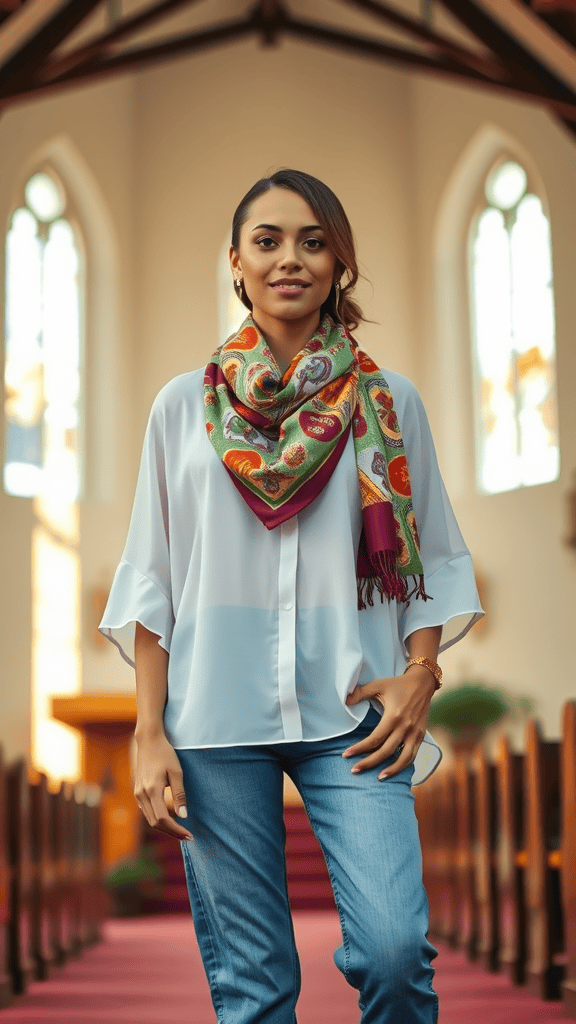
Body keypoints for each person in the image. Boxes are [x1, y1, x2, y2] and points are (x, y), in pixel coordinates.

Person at [99, 168, 484, 1024]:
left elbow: (433, 557)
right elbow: (154, 577)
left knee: (392, 954)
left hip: (355, 714)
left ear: (339, 264)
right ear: (235, 262)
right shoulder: (180, 408)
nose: (290, 260)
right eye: (268, 241)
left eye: (313, 242)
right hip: (212, 718)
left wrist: (422, 673)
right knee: (254, 987)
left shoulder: (390, 403)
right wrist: (148, 729)